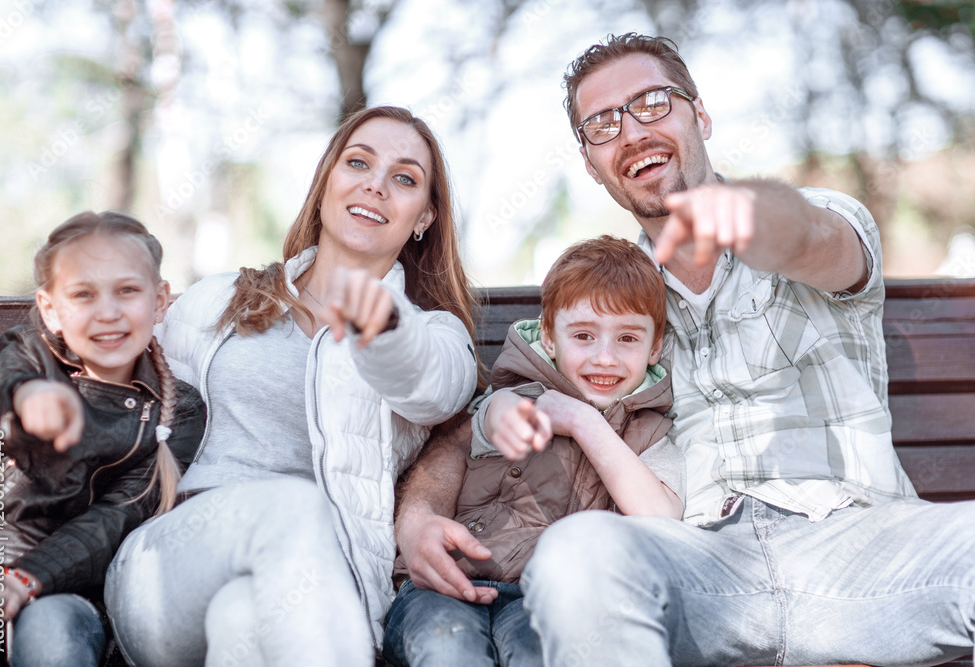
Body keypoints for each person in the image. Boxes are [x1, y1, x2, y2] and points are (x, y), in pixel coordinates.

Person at [394, 33, 975, 666]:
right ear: (591, 163)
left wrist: (755, 218)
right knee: (576, 553)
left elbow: (815, 240)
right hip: (698, 567)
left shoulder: (811, 216)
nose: (632, 130)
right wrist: (419, 514)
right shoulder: (613, 299)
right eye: (603, 124)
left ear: (699, 114)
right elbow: (480, 423)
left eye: (651, 102)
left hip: (862, 549)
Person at [103, 105, 480, 667]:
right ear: (327, 182)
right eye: (358, 163)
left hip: (318, 596)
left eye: (403, 178)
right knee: (295, 507)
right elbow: (97, 369)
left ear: (423, 217)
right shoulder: (219, 299)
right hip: (171, 565)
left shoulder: (436, 335)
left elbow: (429, 385)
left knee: (243, 623)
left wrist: (382, 323)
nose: (375, 186)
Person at [382, 235, 684, 667]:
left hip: (541, 601)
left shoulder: (650, 432)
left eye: (628, 339)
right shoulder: (521, 396)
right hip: (447, 583)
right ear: (548, 338)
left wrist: (585, 423)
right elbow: (491, 417)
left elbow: (660, 518)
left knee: (537, 655)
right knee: (448, 650)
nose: (605, 358)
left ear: (655, 347)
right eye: (583, 335)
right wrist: (504, 411)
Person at [0, 211, 207, 667]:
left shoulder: (178, 410)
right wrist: (30, 394)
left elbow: (114, 517)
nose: (108, 312)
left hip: (65, 583)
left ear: (160, 301)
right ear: (50, 309)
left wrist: (25, 580)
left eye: (127, 290)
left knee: (52, 636)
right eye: (83, 294)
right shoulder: (28, 352)